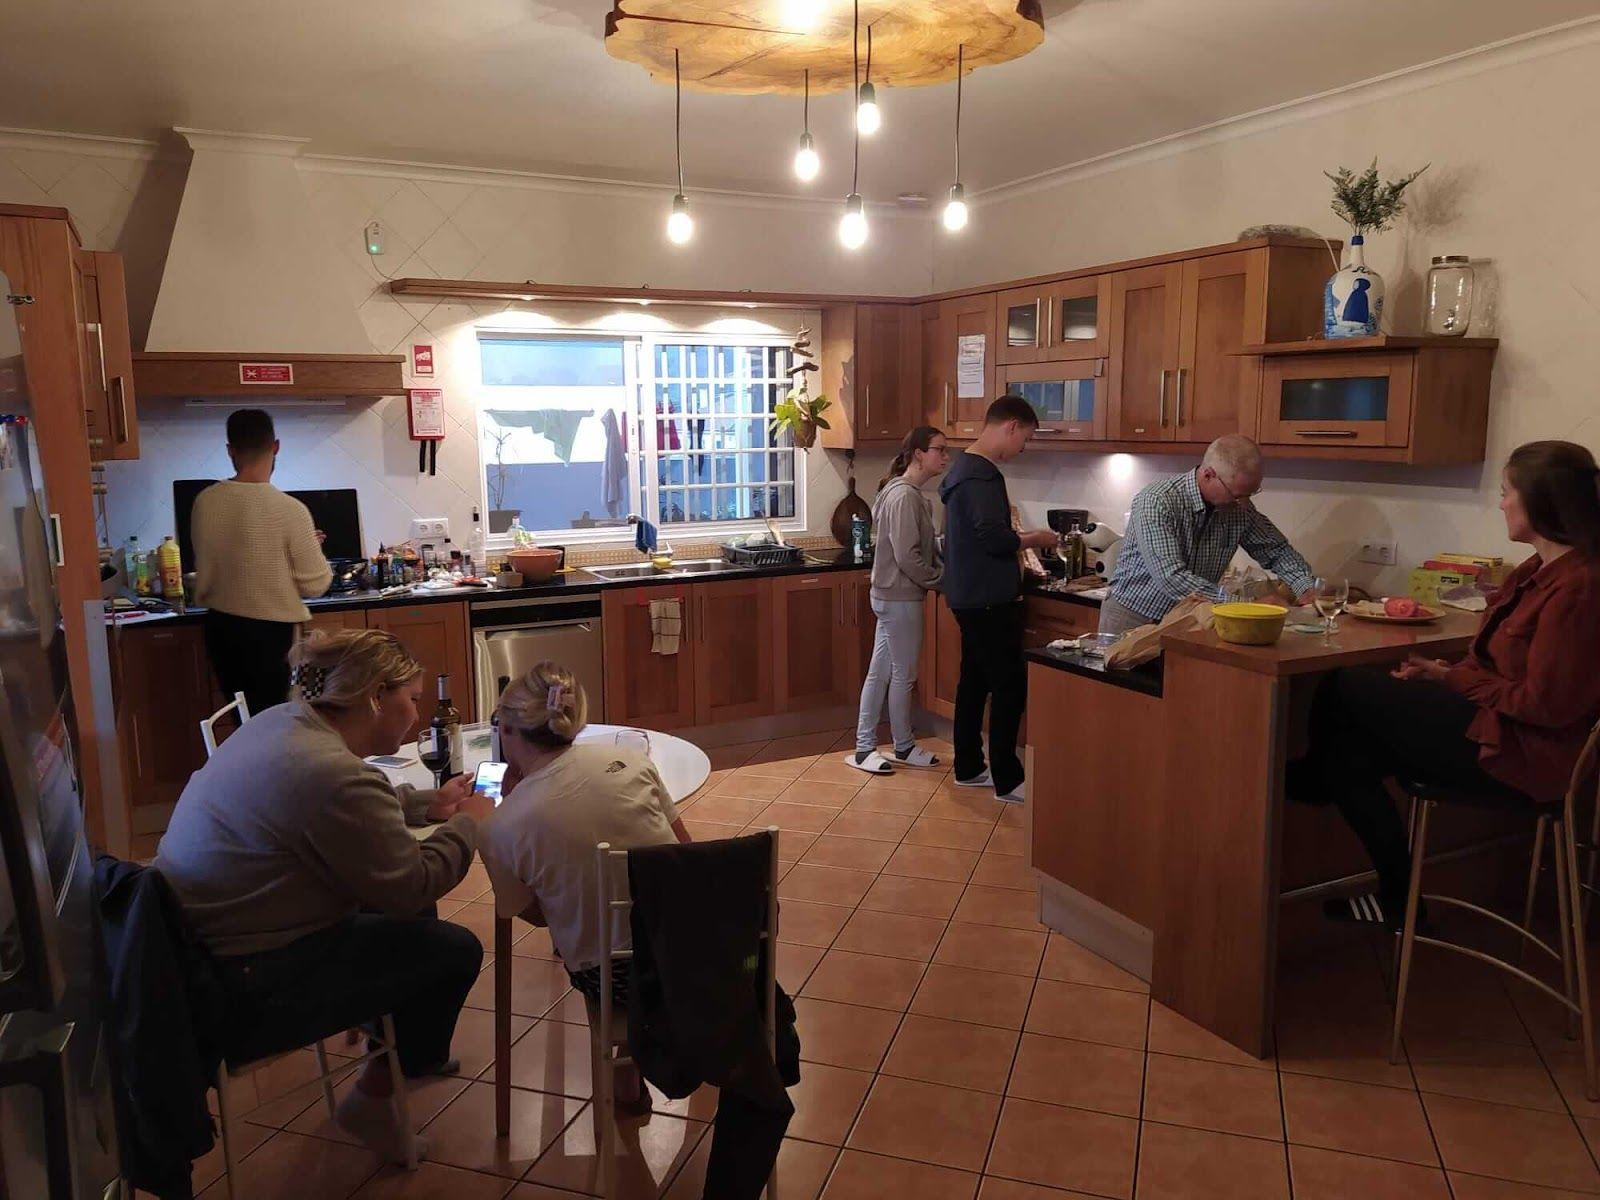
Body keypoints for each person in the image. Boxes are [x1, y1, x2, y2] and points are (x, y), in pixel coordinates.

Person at [154, 628, 491, 1160]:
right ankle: (374, 1097)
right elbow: (411, 884)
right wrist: (469, 825)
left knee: (404, 913)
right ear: (376, 697)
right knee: (453, 949)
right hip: (243, 984)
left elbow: (350, 812)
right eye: (413, 698)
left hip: (192, 952)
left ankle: (406, 1048)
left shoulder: (281, 724)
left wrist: (429, 805)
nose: (417, 712)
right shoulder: (330, 773)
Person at [1291, 441, 1600, 929]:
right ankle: (1398, 899)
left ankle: (1315, 787)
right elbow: (1509, 670)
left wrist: (1453, 680)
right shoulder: (1539, 569)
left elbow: (1544, 703)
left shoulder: (1579, 587)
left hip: (1522, 755)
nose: (1500, 504)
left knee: (1346, 686)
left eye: (1506, 493)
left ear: (1539, 502)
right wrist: (1443, 673)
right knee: (1349, 755)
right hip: (1503, 730)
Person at [478, 662, 690, 1111]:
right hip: (693, 949)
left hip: (613, 977)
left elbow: (537, 916)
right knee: (643, 911)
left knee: (598, 930)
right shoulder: (632, 761)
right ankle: (640, 1068)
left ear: (510, 732)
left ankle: (629, 1068)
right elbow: (685, 854)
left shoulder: (501, 825)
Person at [938, 396, 1058, 803]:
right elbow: (995, 538)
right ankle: (1008, 778)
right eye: (1024, 438)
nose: (1022, 448)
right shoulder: (982, 476)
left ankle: (969, 766)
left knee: (974, 680)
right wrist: (1037, 539)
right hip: (988, 597)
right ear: (1010, 426)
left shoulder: (961, 469)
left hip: (967, 594)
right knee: (1009, 686)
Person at [1101, 434, 1316, 635]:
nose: (1243, 502)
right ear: (1208, 475)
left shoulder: (1239, 508)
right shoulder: (1157, 501)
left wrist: (1305, 587)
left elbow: (1276, 550)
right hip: (1133, 618)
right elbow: (1171, 578)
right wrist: (1247, 607)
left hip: (1189, 620)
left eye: (1250, 494)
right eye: (1236, 494)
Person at [192, 408, 332, 715]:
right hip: (272, 636)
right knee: (276, 721)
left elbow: (232, 560)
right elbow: (317, 583)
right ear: (276, 446)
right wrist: (308, 549)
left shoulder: (205, 501)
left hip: (221, 629)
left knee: (244, 719)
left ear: (230, 450)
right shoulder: (290, 510)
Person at [847, 426, 950, 775]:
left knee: (881, 672)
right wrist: (941, 580)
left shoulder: (901, 491)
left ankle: (867, 747)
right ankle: (900, 746)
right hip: (900, 596)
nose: (945, 457)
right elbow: (908, 557)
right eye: (939, 450)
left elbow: (914, 546)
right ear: (919, 454)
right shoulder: (905, 495)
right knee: (903, 675)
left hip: (889, 595)